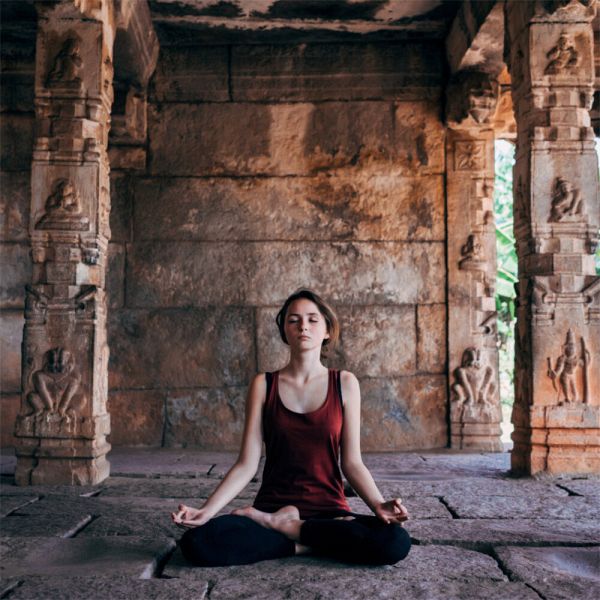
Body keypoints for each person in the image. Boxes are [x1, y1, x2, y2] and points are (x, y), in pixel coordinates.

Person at [171, 289, 411, 566]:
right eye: (293, 320)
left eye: (312, 320)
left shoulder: (345, 383)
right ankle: (308, 536)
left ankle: (289, 531)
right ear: (285, 331)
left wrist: (378, 505)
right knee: (198, 544)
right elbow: (247, 464)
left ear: (327, 331)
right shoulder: (264, 384)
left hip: (329, 511)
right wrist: (207, 510)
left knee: (395, 541)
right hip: (272, 506)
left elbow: (352, 463)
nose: (303, 326)